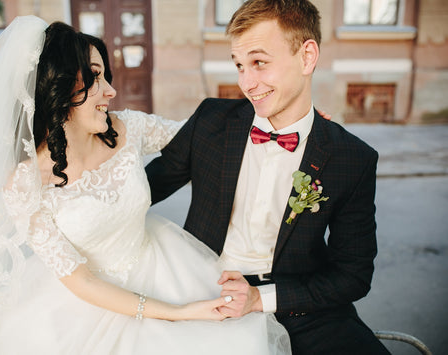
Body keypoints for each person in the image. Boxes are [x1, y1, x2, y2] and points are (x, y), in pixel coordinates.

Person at [0, 16, 292, 354]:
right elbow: (81, 281)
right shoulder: (24, 185)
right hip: (86, 304)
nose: (110, 91)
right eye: (95, 78)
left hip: (166, 264)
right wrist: (178, 313)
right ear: (60, 88)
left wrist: (283, 121)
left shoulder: (127, 129)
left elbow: (203, 136)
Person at [146, 0, 390, 354]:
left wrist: (261, 298)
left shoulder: (351, 157)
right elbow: (144, 189)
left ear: (307, 57)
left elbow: (352, 276)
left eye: (259, 63)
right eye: (240, 66)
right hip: (204, 294)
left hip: (302, 305)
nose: (247, 83)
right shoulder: (212, 121)